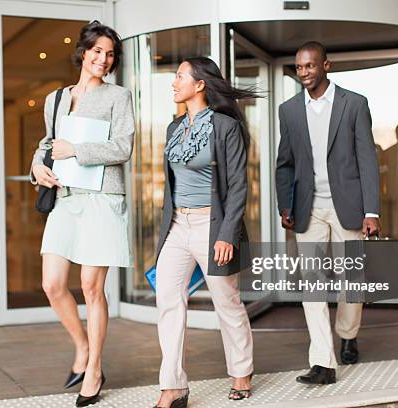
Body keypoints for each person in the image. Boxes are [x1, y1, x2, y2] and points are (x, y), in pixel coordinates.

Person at [29, 21, 134, 407]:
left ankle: (93, 369)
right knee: (53, 285)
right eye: (97, 51)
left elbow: (124, 147)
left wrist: (77, 150)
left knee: (92, 288)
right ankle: (83, 346)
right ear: (83, 51)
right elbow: (46, 145)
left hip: (102, 199)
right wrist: (36, 167)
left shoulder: (117, 96)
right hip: (66, 198)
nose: (102, 59)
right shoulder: (56, 99)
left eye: (109, 54)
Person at [153, 57, 258, 407]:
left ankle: (241, 371)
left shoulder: (225, 127)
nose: (174, 82)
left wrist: (227, 233)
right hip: (177, 226)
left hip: (212, 225)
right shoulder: (173, 127)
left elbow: (239, 185)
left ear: (200, 85)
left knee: (226, 302)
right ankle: (174, 385)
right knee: (168, 300)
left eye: (180, 76)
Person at [275, 41, 381, 385]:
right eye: (299, 67)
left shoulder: (354, 104)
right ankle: (323, 360)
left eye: (310, 66)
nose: (304, 73)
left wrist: (371, 211)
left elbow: (367, 160)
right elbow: (285, 163)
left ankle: (348, 333)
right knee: (313, 285)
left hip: (348, 206)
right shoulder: (289, 110)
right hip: (309, 210)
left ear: (326, 66)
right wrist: (285, 204)